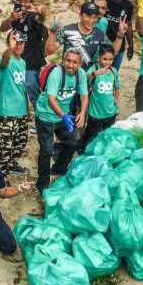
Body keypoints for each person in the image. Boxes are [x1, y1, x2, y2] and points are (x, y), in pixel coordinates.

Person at [35, 49, 88, 190]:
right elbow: (51, 99)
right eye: (68, 60)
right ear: (64, 60)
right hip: (45, 116)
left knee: (71, 143)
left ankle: (59, 168)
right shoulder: (57, 73)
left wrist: (82, 113)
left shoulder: (81, 74)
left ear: (81, 64)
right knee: (46, 149)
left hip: (63, 116)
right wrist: (63, 116)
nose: (71, 64)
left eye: (75, 62)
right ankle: (42, 184)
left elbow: (84, 96)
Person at [0, 0, 48, 109]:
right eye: (20, 1)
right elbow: (2, 28)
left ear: (31, 2)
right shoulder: (16, 17)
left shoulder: (33, 17)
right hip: (17, 63)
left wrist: (40, 12)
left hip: (31, 63)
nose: (23, 4)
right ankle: (26, 114)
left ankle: (42, 115)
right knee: (20, 91)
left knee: (31, 87)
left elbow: (40, 19)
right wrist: (10, 18)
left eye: (26, 1)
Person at [45, 1, 122, 70]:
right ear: (80, 15)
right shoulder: (67, 30)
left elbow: (113, 51)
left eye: (95, 17)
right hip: (67, 75)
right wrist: (52, 34)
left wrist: (120, 35)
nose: (92, 20)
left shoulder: (99, 33)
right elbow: (49, 51)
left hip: (88, 77)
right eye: (88, 16)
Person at [0, 31, 30, 174]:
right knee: (4, 147)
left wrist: (28, 108)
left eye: (21, 42)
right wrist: (11, 47)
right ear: (8, 43)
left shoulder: (22, 62)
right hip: (7, 112)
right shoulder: (5, 60)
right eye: (15, 41)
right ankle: (1, 176)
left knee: (20, 142)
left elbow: (22, 87)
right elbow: (4, 60)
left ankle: (12, 166)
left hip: (21, 110)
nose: (19, 44)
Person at [79, 47, 120, 153]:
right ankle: (84, 152)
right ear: (99, 58)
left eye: (110, 59)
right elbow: (83, 78)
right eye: (104, 59)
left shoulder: (113, 71)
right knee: (90, 135)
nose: (107, 62)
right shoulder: (94, 69)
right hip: (95, 113)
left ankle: (102, 152)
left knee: (107, 134)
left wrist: (116, 98)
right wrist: (95, 73)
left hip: (110, 112)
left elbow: (116, 86)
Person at [101, 0, 135, 68]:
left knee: (112, 75)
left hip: (119, 46)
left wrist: (131, 46)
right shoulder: (103, 0)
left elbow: (128, 26)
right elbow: (90, 10)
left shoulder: (128, 5)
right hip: (101, 45)